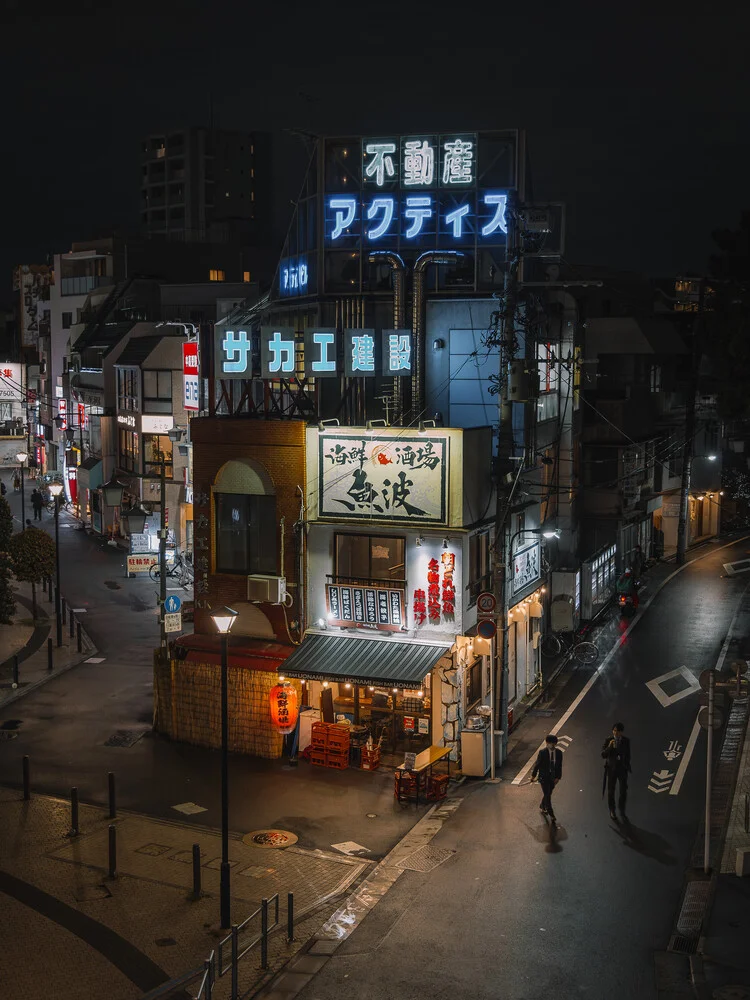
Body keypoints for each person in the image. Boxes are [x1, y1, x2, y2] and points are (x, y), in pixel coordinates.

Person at [602, 722, 631, 820]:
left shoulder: (626, 741)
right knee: (611, 791)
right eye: (614, 731)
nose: (615, 733)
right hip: (611, 769)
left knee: (623, 790)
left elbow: (628, 755)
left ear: (621, 732)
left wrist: (626, 765)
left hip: (622, 769)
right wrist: (610, 747)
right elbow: (603, 755)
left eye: (618, 731)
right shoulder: (609, 740)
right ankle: (612, 810)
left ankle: (621, 808)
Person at [531, 734, 563, 824]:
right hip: (544, 777)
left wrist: (558, 777)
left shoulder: (559, 753)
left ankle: (542, 805)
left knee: (548, 793)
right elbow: (537, 765)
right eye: (550, 743)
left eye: (553, 743)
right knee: (548, 795)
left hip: (553, 778)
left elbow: (559, 766)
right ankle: (551, 813)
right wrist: (533, 776)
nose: (551, 745)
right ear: (547, 743)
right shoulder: (542, 753)